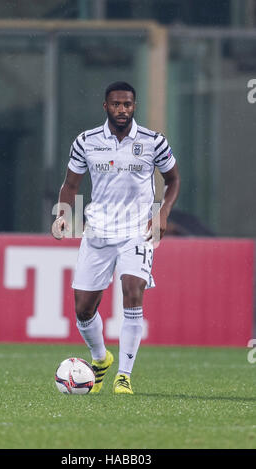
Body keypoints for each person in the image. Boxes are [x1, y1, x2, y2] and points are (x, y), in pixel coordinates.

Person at [52, 81, 180, 394]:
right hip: (97, 231)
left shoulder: (154, 142)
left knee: (132, 289)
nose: (121, 110)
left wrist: (163, 213)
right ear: (105, 106)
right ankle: (100, 359)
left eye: (127, 104)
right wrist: (63, 214)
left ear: (134, 106)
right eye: (116, 104)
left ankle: (124, 375)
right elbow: (70, 185)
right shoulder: (86, 141)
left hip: (137, 231)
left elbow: (173, 179)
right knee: (83, 308)